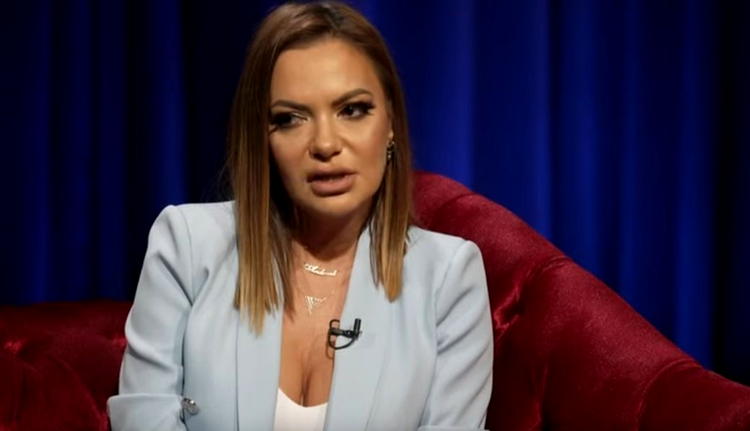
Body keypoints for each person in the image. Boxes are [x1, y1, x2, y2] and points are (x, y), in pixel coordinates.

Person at [106, 2, 493, 430]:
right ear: (263, 138)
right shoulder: (186, 246)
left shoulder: (448, 280)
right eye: (290, 119)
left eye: (352, 110)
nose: (325, 144)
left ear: (390, 124)